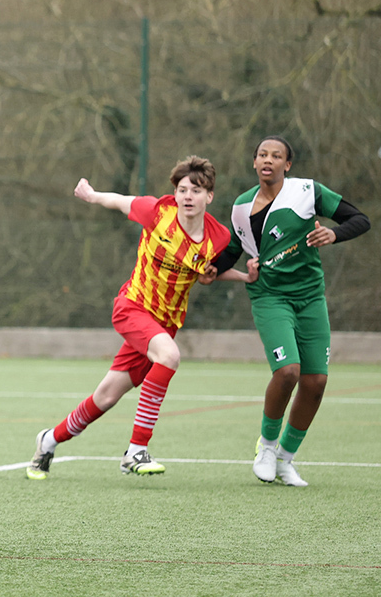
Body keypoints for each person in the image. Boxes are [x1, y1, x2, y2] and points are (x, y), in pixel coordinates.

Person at [26, 157, 250, 480]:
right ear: (175, 192)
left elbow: (207, 274)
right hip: (133, 307)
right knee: (170, 356)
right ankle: (136, 450)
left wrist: (244, 277)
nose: (188, 196)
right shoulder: (157, 212)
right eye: (182, 189)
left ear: (209, 197)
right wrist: (92, 195)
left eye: (196, 191)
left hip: (165, 324)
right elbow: (119, 202)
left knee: (106, 396)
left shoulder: (219, 238)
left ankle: (48, 440)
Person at [213, 136, 370, 487]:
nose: (268, 160)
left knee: (316, 381)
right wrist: (211, 267)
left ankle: (286, 458)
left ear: (288, 164)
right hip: (269, 296)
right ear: (254, 163)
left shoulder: (307, 191)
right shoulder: (240, 207)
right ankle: (266, 447)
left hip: (310, 296)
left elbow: (360, 219)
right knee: (288, 372)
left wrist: (334, 234)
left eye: (277, 155)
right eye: (262, 155)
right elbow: (235, 250)